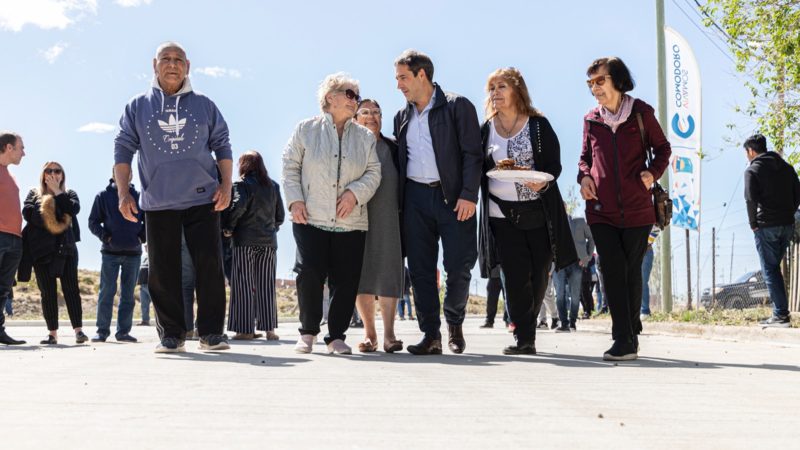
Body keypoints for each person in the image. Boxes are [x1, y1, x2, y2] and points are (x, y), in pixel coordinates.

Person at [114, 41, 233, 353]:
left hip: (202, 197)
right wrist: (123, 192)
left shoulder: (205, 105)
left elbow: (222, 143)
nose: (172, 64)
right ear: (155, 65)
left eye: (178, 59)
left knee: (209, 266)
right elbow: (123, 149)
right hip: (159, 199)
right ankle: (172, 334)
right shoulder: (137, 106)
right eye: (165, 59)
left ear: (188, 66)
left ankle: (210, 334)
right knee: (162, 271)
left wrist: (227, 184)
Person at [478, 67, 577, 355]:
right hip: (501, 213)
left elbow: (554, 165)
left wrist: (541, 183)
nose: (495, 93)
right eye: (492, 88)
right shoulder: (487, 129)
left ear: (517, 90)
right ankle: (525, 336)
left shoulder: (537, 125)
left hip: (538, 211)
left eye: (501, 87)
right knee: (515, 274)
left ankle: (526, 325)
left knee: (538, 273)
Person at [578, 57, 671, 361]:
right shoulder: (591, 119)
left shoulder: (641, 113)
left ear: (616, 80)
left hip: (637, 209)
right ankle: (623, 339)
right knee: (612, 269)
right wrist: (584, 177)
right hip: (601, 209)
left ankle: (631, 327)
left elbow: (663, 149)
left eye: (600, 81)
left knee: (631, 272)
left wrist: (652, 172)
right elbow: (584, 159)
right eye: (590, 83)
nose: (595, 88)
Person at [283, 73, 381, 355]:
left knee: (347, 279)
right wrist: (295, 201)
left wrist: (354, 194)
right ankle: (308, 332)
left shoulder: (364, 137)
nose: (355, 101)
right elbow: (290, 166)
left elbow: (374, 172)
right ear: (330, 97)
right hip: (310, 216)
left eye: (357, 96)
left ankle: (336, 336)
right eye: (350, 94)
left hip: (351, 221)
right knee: (309, 273)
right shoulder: (306, 129)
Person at [393, 49, 482, 355]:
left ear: (422, 75)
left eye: (403, 77)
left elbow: (473, 154)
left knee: (459, 267)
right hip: (416, 199)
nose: (399, 85)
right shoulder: (401, 116)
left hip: (454, 198)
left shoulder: (458, 106)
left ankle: (454, 323)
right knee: (419, 270)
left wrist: (469, 194)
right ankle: (431, 334)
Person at [352, 98, 405, 353]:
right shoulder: (349, 146)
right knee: (360, 273)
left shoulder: (394, 148)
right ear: (355, 118)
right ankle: (370, 335)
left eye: (376, 112)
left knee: (388, 271)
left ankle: (390, 335)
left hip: (389, 218)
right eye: (365, 112)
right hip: (356, 217)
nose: (371, 116)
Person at [20, 162, 87, 345]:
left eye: (57, 171)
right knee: (47, 292)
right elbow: (28, 213)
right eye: (48, 170)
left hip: (66, 248)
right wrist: (55, 210)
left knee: (71, 289)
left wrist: (58, 192)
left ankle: (79, 331)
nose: (52, 173)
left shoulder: (69, 193)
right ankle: (52, 334)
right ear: (43, 175)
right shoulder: (34, 194)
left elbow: (73, 209)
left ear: (62, 175)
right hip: (40, 250)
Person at [223, 150, 284, 341]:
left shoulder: (241, 184)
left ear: (244, 165)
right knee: (266, 285)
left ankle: (245, 330)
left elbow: (238, 207)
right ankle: (269, 330)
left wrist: (228, 228)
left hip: (244, 242)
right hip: (269, 243)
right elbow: (280, 216)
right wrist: (270, 230)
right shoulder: (273, 186)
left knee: (243, 285)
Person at [743, 134, 800, 327]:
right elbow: (797, 195)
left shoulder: (753, 170)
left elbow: (750, 200)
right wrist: (788, 214)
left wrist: (753, 223)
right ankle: (780, 313)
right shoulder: (787, 168)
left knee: (770, 270)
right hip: (787, 225)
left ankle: (780, 315)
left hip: (765, 226)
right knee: (774, 269)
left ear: (751, 151)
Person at [88, 169, 146, 343]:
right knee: (106, 292)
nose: (125, 174)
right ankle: (102, 331)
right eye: (120, 171)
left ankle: (123, 332)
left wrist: (141, 237)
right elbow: (93, 222)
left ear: (131, 175)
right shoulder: (103, 196)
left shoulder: (139, 195)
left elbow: (149, 220)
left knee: (128, 295)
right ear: (114, 175)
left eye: (128, 171)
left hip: (133, 253)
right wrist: (106, 237)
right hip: (110, 253)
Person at [0, 131, 27, 345]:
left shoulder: (10, 174)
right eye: (21, 148)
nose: (23, 153)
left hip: (14, 239)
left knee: (3, 289)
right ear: (9, 147)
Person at [554, 211, 594, 332]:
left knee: (575, 295)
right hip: (559, 264)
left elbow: (591, 238)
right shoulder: (553, 224)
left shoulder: (580, 222)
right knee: (560, 294)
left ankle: (572, 322)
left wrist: (587, 257)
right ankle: (564, 324)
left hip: (576, 263)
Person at [640, 227, 660, 319]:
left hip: (645, 251)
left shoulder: (651, 215)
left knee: (642, 281)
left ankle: (644, 311)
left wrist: (644, 243)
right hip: (631, 250)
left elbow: (657, 228)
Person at [137, 246, 151, 326]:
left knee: (156, 305)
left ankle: (161, 322)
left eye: (147, 246)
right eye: (145, 246)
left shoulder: (154, 255)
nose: (146, 247)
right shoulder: (144, 257)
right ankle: (145, 321)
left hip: (151, 285)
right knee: (144, 304)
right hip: (142, 285)